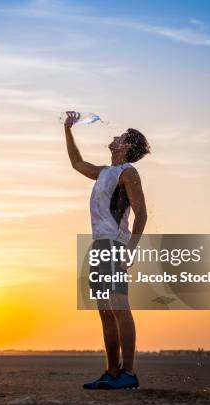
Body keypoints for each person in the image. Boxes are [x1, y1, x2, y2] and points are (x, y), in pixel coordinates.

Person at [63, 111, 150, 390]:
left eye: (122, 136)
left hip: (114, 246)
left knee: (119, 308)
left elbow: (142, 214)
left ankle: (129, 373)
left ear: (127, 147)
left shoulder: (128, 172)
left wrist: (130, 251)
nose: (115, 136)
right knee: (105, 312)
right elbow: (77, 163)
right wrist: (68, 129)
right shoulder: (103, 172)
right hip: (99, 246)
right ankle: (112, 372)